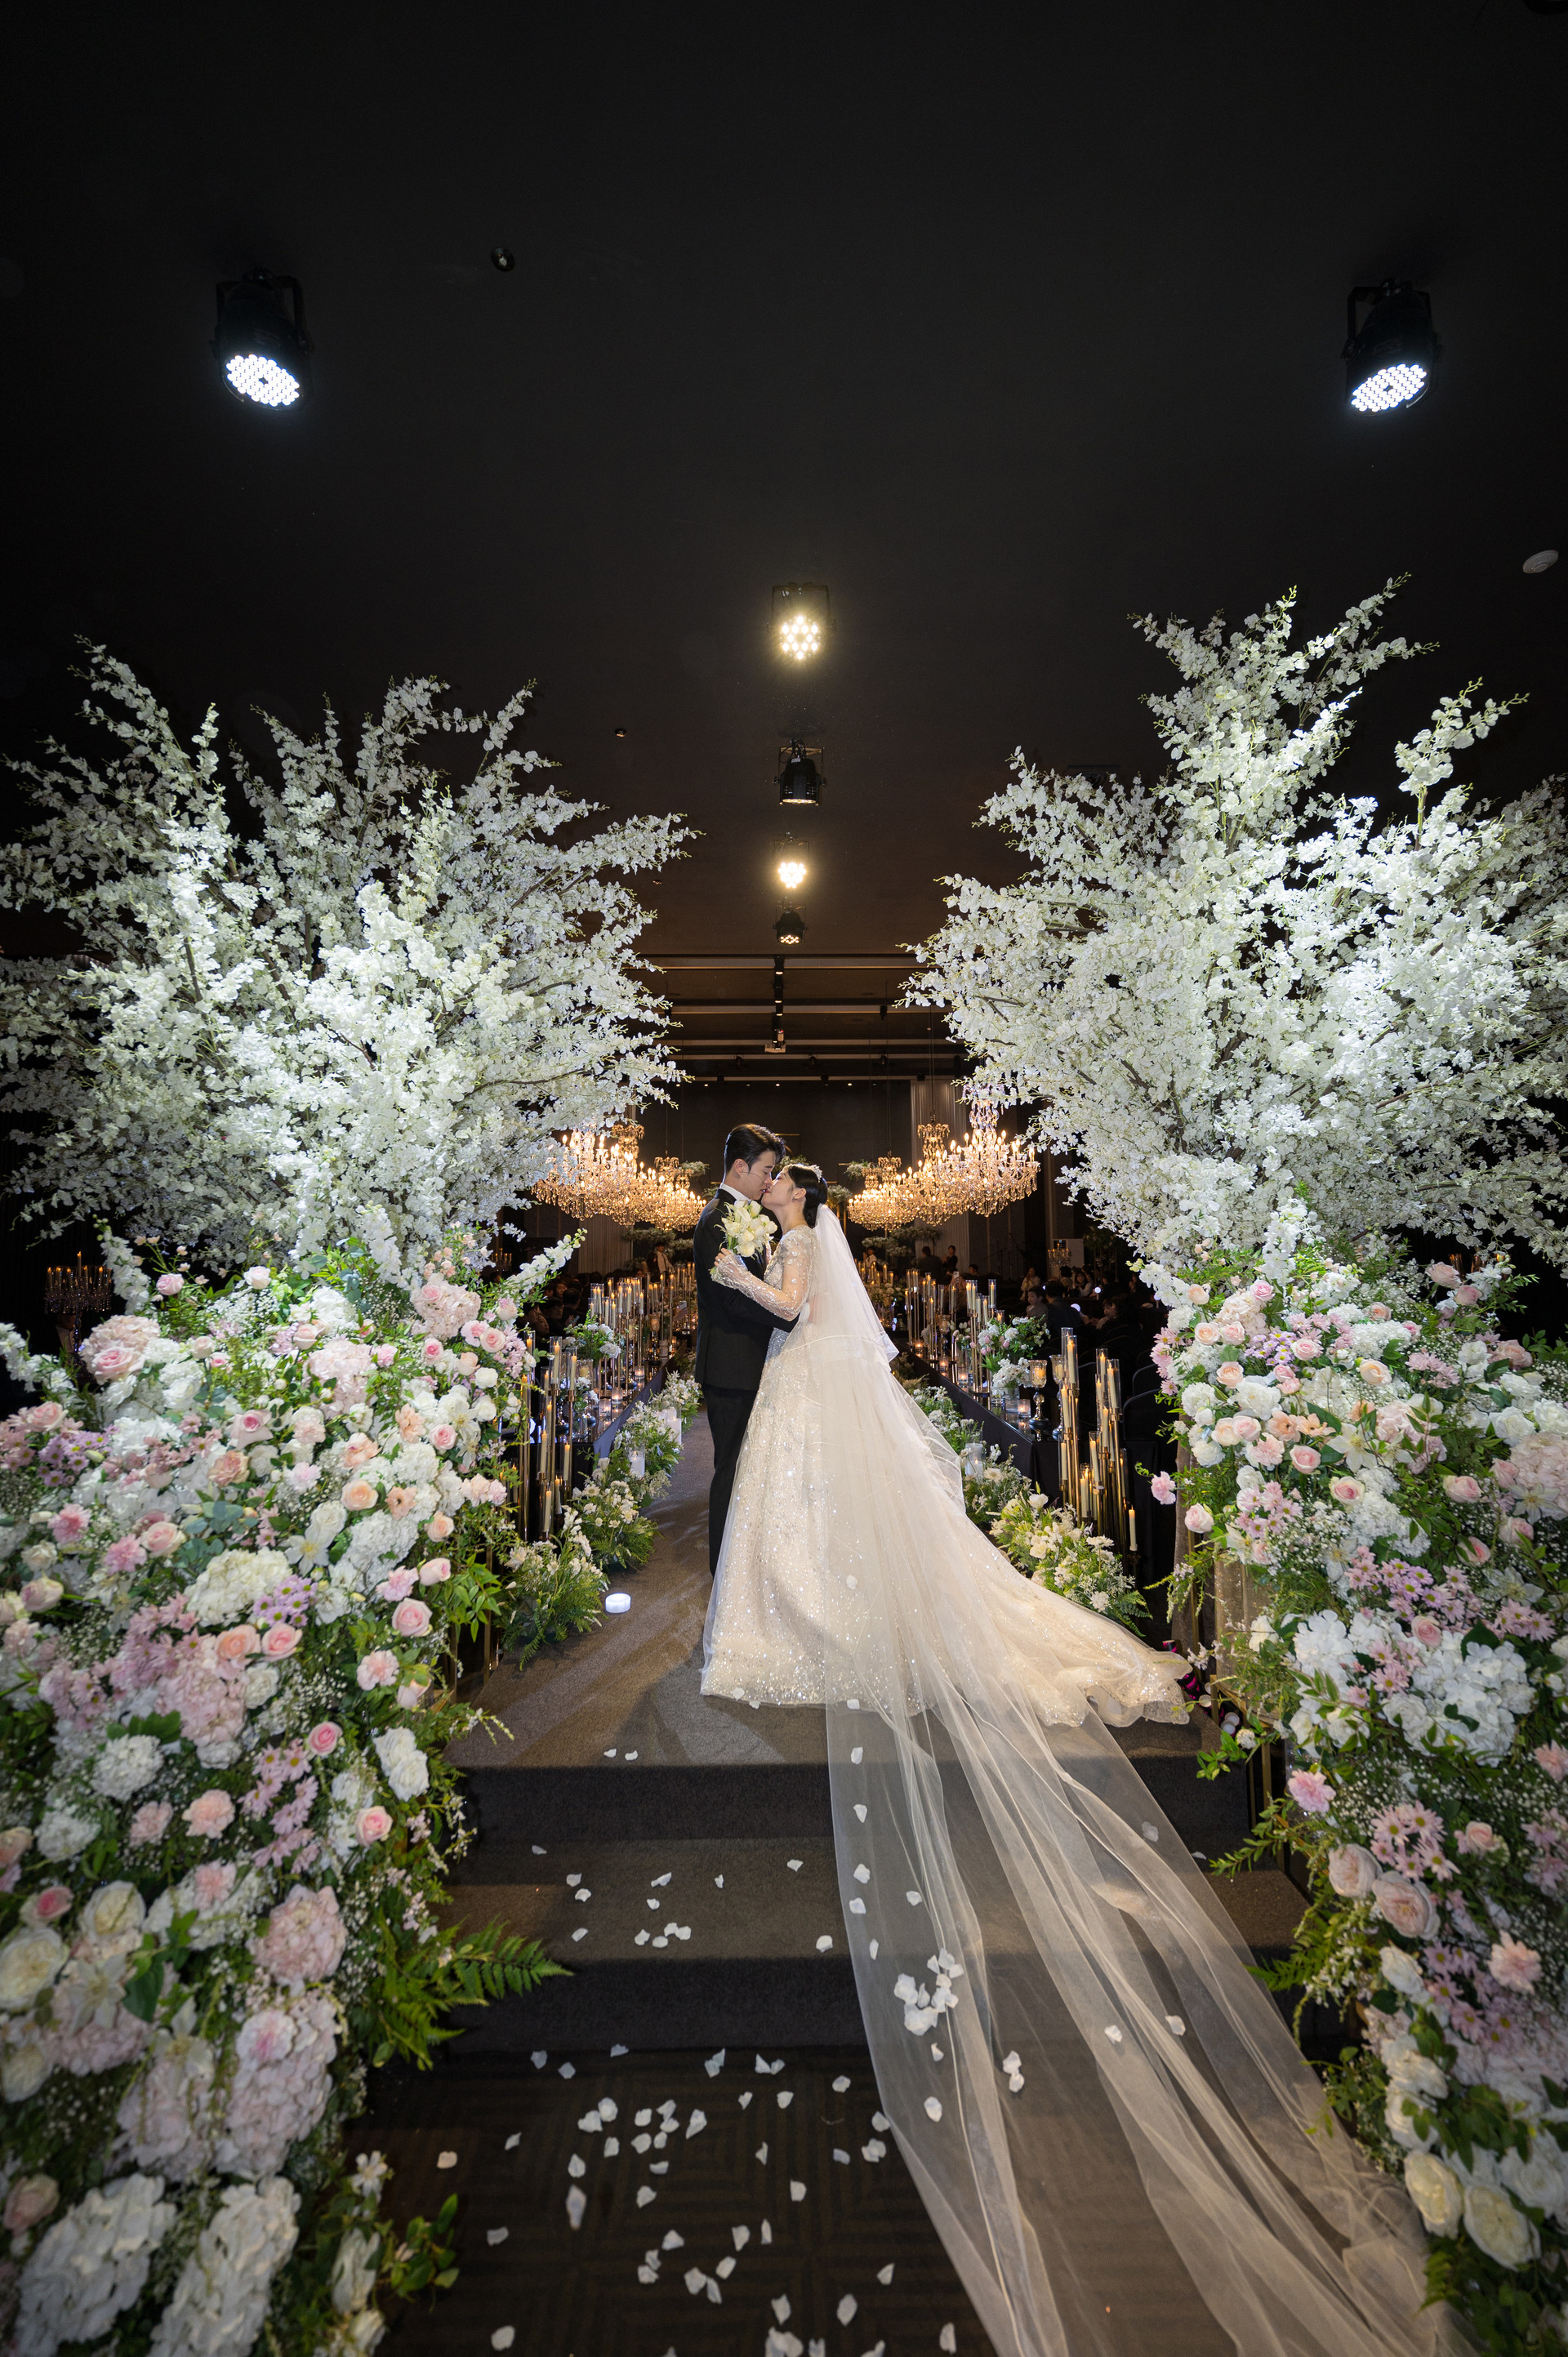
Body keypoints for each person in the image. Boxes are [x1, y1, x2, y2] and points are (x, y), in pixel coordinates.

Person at [701, 1167, 1432, 2357]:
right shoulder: (807, 1232)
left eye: (782, 1180)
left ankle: (818, 1620)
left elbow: (797, 1312)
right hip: (813, 1395)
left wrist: (742, 1274)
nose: (773, 1184)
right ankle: (803, 1612)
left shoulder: (799, 1240)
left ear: (797, 1195)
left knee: (819, 1528)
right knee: (808, 1523)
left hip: (807, 1385)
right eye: (770, 1179)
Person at [692, 1122, 797, 1573]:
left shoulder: (742, 1214)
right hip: (730, 1365)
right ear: (740, 1166)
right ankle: (722, 1571)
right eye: (766, 1171)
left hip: (747, 1362)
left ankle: (742, 1564)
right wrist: (789, 1316)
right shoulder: (716, 1219)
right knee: (731, 1468)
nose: (769, 1181)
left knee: (749, 1467)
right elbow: (730, 1299)